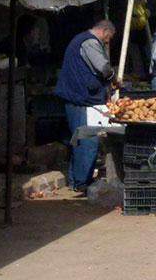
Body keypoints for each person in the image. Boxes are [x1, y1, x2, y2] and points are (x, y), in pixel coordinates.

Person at [54, 19, 117, 192]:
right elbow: (103, 67)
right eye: (108, 38)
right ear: (104, 31)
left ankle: (77, 181)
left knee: (79, 140)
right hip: (80, 98)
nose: (106, 42)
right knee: (87, 140)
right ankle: (82, 183)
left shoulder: (81, 40)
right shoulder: (89, 42)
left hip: (78, 97)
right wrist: (113, 77)